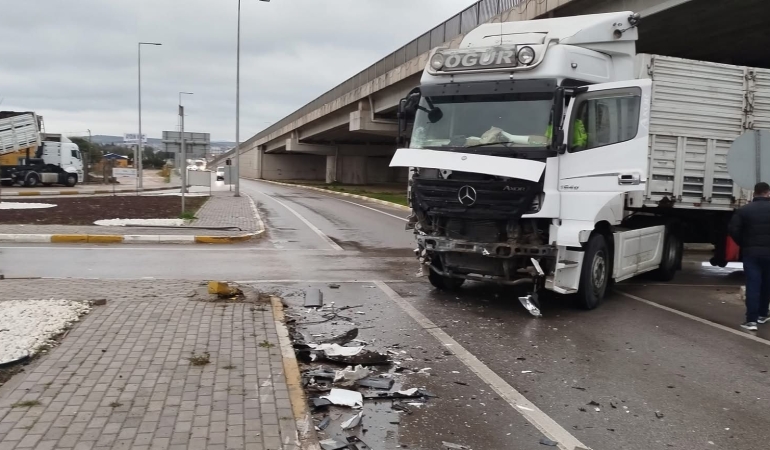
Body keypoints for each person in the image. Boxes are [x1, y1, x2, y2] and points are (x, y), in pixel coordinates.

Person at [728, 182, 770, 331]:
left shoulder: (744, 210)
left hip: (751, 253)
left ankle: (751, 320)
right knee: (767, 284)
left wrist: (744, 243)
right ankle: (762, 314)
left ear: (754, 193)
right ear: (768, 193)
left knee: (753, 285)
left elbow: (733, 229)